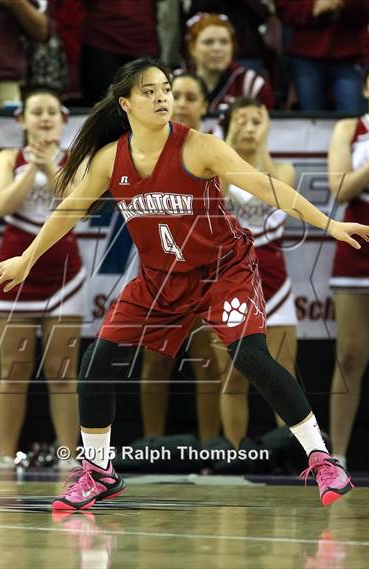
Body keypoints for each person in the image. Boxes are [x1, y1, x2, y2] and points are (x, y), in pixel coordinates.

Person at [0, 58, 369, 510]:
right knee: (95, 362)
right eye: (149, 91)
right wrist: (27, 260)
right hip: (159, 279)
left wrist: (330, 224)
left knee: (251, 356)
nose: (162, 97)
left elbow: (270, 188)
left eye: (165, 88)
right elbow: (68, 210)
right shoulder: (111, 159)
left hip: (222, 269)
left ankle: (323, 460)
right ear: (125, 103)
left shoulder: (199, 147)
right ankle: (98, 471)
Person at [0, 87, 85, 468]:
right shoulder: (7, 158)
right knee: (13, 370)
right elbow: (1, 205)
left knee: (62, 370)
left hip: (64, 273)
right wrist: (32, 166)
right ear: (21, 120)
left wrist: (49, 166)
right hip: (13, 272)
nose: (44, 118)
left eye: (51, 112)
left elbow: (78, 205)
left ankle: (67, 456)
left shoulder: (75, 158)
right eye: (36, 112)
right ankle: (3, 456)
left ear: (63, 120)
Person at [141, 73, 222, 445]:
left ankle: (209, 450)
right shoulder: (143, 146)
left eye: (192, 96)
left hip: (206, 266)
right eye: (178, 94)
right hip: (157, 265)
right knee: (156, 359)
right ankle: (152, 447)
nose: (183, 102)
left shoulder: (216, 148)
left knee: (208, 360)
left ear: (205, 106)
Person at [219, 97, 298, 449]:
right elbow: (217, 196)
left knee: (282, 373)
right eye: (241, 120)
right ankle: (236, 454)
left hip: (276, 285)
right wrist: (229, 142)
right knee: (234, 375)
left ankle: (292, 454)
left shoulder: (283, 170)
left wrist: (261, 143)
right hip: (232, 283)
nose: (249, 128)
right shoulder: (216, 170)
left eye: (256, 121)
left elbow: (272, 190)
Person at [328, 61, 369, 469]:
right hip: (359, 244)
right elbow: (340, 186)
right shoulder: (349, 128)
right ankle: (336, 456)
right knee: (350, 356)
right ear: (367, 87)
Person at [275, 0, 369, 113]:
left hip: (351, 55)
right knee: (312, 121)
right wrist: (313, 7)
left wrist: (344, 2)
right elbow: (284, 10)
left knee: (352, 122)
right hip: (307, 55)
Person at [181, 12, 274, 112]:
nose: (217, 48)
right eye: (208, 42)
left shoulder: (252, 85)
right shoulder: (173, 84)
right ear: (192, 48)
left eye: (224, 42)